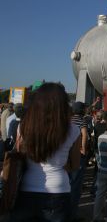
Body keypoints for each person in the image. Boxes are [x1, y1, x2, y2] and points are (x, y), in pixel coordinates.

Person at [9, 83, 81, 222]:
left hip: (26, 189)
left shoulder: (24, 127)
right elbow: (76, 165)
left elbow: (19, 157)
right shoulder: (73, 130)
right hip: (58, 191)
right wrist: (61, 164)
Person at [69, 101, 89, 221]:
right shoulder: (82, 120)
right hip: (77, 154)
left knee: (69, 181)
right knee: (76, 185)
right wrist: (83, 149)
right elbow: (84, 135)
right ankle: (73, 214)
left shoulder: (68, 120)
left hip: (67, 153)